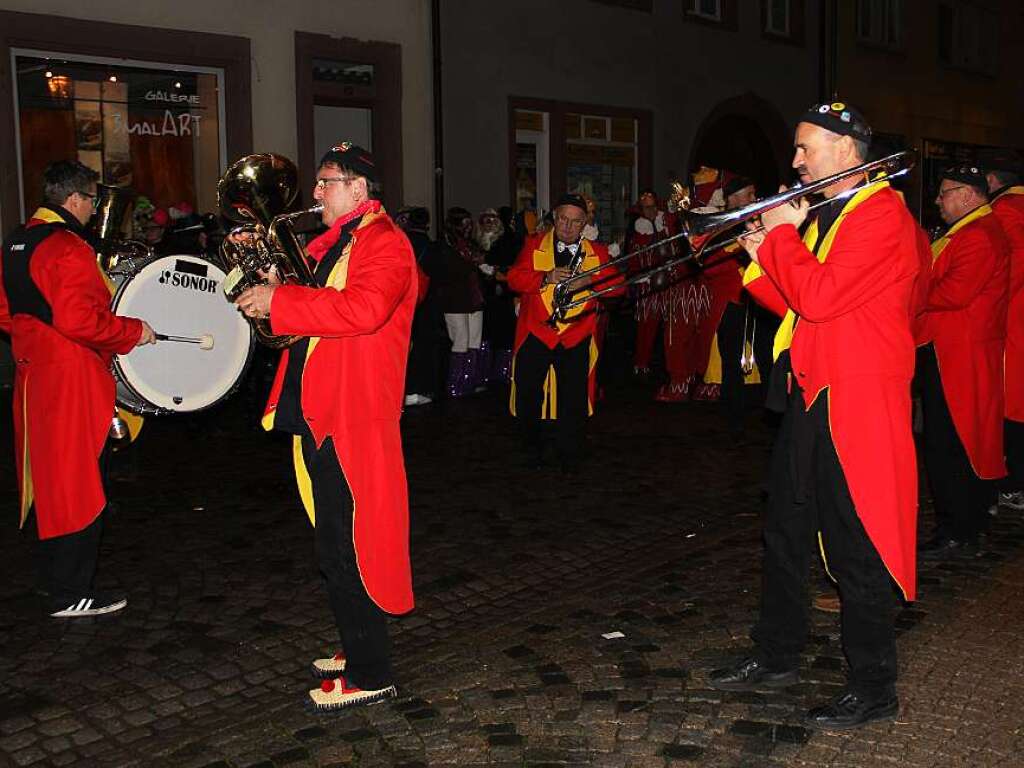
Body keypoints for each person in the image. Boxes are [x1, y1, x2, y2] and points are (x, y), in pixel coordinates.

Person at [710, 103, 926, 729]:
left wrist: (779, 236)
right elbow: (800, 308)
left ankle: (874, 685)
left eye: (806, 148)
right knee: (785, 527)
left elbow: (822, 296)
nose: (796, 160)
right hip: (811, 389)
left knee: (855, 543)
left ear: (846, 150)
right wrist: (760, 251)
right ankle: (776, 652)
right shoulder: (836, 216)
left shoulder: (882, 215)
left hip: (855, 399)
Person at [234, 143, 416, 710]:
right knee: (333, 541)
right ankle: (356, 642)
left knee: (347, 545)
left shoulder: (385, 244)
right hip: (322, 409)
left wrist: (279, 298)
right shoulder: (340, 242)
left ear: (360, 190)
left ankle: (371, 671)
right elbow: (317, 298)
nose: (315, 193)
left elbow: (361, 311)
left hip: (353, 414)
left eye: (327, 182)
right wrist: (263, 273)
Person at [0, 160, 155, 618]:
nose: (93, 208)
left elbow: (6, 313)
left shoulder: (16, 241)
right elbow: (80, 320)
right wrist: (133, 331)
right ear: (73, 201)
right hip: (72, 378)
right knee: (81, 482)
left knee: (49, 480)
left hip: (34, 375)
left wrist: (37, 341)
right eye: (91, 200)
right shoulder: (67, 246)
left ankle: (53, 582)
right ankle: (73, 592)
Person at [917, 164, 1009, 556]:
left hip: (956, 357)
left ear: (970, 195)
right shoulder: (969, 232)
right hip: (950, 352)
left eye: (945, 193)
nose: (939, 201)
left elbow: (952, 292)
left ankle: (958, 526)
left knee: (950, 443)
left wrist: (911, 289)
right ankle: (964, 519)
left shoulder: (978, 235)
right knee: (953, 441)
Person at [507, 193, 621, 471]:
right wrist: (544, 277)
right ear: (555, 219)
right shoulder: (534, 244)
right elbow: (513, 278)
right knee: (528, 391)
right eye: (563, 220)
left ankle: (571, 452)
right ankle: (529, 447)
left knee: (574, 396)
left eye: (575, 222)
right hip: (537, 330)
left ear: (584, 224)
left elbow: (620, 286)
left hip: (576, 334)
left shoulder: (599, 251)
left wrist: (591, 281)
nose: (568, 227)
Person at [979, 149, 1024, 511]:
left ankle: (1010, 483)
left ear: (992, 181)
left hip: (1012, 323)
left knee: (1008, 407)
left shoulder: (1002, 212)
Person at [693, 176, 756, 430]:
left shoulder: (752, 221)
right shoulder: (721, 226)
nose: (754, 198)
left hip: (756, 300)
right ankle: (735, 417)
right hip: (731, 302)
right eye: (749, 193)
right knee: (732, 361)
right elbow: (707, 267)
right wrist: (737, 254)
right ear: (732, 198)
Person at [397, 206, 444, 406]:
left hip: (405, 301)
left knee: (406, 346)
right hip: (428, 302)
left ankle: (406, 389)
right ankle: (420, 389)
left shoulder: (402, 242)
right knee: (425, 346)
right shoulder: (432, 247)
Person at [437, 207, 486, 396]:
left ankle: (470, 380)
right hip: (455, 300)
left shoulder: (470, 244)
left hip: (474, 297)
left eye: (469, 223)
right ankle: (456, 384)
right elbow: (450, 271)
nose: (467, 227)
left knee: (474, 339)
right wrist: (473, 264)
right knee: (461, 340)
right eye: (463, 224)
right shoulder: (446, 246)